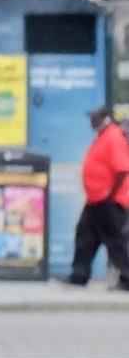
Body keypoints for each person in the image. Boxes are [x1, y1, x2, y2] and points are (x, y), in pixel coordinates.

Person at [68, 106, 129, 291]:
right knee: (85, 237)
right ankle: (79, 275)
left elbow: (122, 170)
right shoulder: (103, 137)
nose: (92, 122)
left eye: (95, 118)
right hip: (95, 200)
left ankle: (127, 278)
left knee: (115, 241)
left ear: (106, 118)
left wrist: (110, 195)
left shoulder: (113, 137)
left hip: (108, 201)